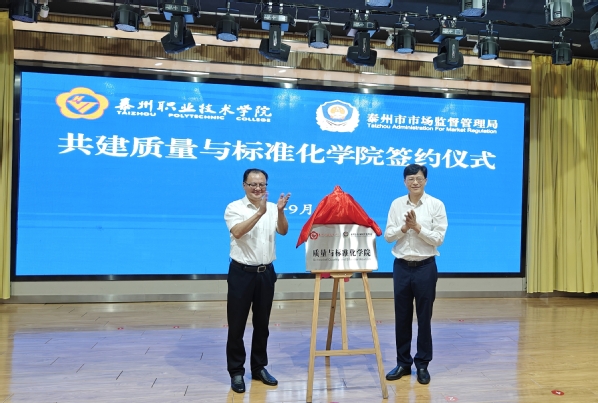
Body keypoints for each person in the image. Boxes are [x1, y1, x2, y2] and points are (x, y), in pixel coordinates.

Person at [224, 168, 291, 394]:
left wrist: (279, 212)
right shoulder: (234, 207)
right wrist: (259, 213)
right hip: (241, 273)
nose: (258, 188)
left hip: (266, 273)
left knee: (262, 324)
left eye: (262, 184)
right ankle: (236, 371)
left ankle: (259, 367)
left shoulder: (272, 208)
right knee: (237, 325)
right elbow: (238, 232)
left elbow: (283, 231)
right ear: (244, 185)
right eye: (253, 184)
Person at [383, 163, 448, 385]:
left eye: (419, 178)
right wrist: (404, 228)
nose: (415, 182)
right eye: (410, 179)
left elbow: (439, 239)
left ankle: (422, 365)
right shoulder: (396, 204)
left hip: (425, 267)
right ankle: (403, 363)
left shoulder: (436, 205)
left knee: (424, 317)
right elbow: (388, 236)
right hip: (401, 266)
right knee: (401, 317)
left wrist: (417, 227)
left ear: (425, 180)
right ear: (405, 182)